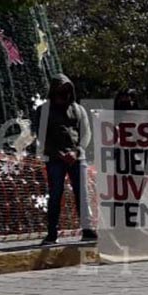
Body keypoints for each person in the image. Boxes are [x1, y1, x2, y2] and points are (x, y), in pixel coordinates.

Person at [35, 74, 96, 245]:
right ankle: (52, 232)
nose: (64, 95)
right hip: (55, 159)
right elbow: (42, 136)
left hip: (77, 158)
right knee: (55, 194)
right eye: (60, 92)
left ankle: (87, 229)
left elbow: (86, 133)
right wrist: (59, 153)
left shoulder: (78, 109)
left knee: (82, 194)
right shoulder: (43, 111)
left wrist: (76, 152)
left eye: (67, 92)